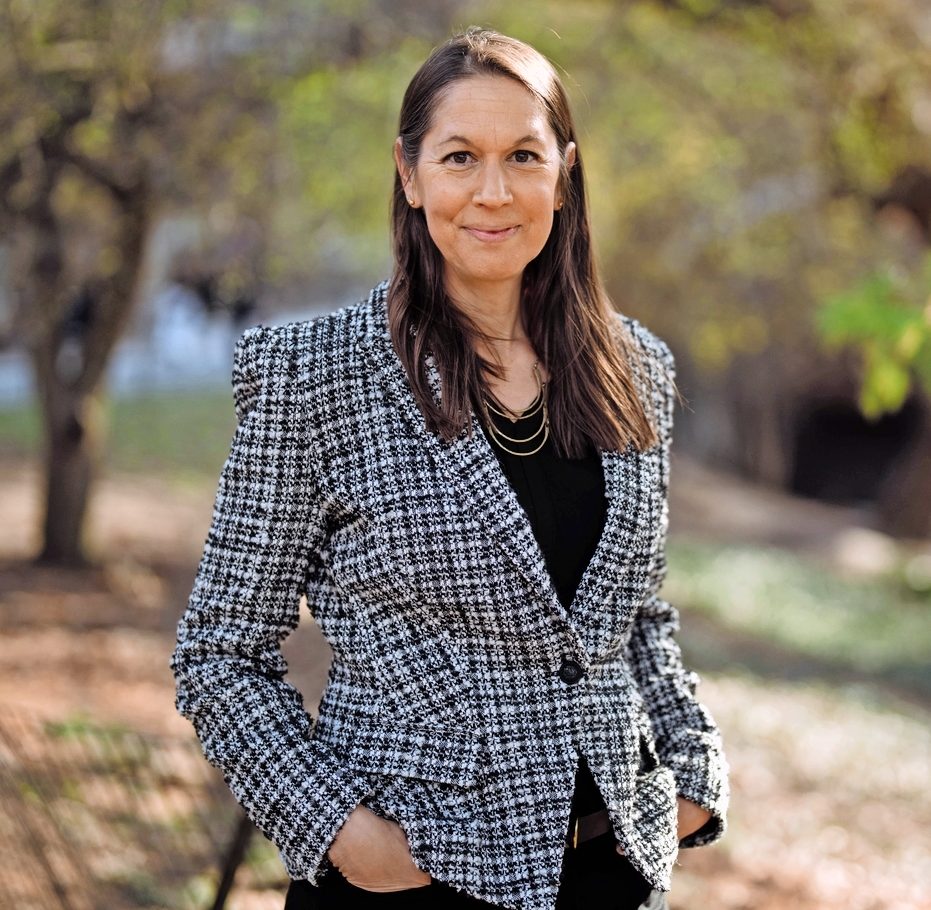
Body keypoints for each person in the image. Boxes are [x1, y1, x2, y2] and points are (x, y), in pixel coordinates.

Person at [172, 28, 728, 910]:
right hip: (417, 874)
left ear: (564, 171)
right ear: (409, 172)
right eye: (460, 157)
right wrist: (341, 832)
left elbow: (632, 614)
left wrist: (692, 762)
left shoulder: (637, 368)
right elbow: (219, 653)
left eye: (523, 156)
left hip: (611, 868)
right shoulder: (315, 375)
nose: (493, 191)